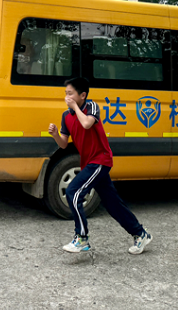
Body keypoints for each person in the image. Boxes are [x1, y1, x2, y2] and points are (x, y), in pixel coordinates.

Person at [47, 77, 152, 255]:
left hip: (100, 160)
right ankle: (140, 234)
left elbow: (87, 124)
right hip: (89, 163)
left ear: (82, 95)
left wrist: (75, 108)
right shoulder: (66, 116)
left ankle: (82, 238)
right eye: (66, 93)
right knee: (113, 204)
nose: (67, 97)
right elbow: (63, 144)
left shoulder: (91, 107)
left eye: (70, 94)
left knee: (73, 191)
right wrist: (56, 134)